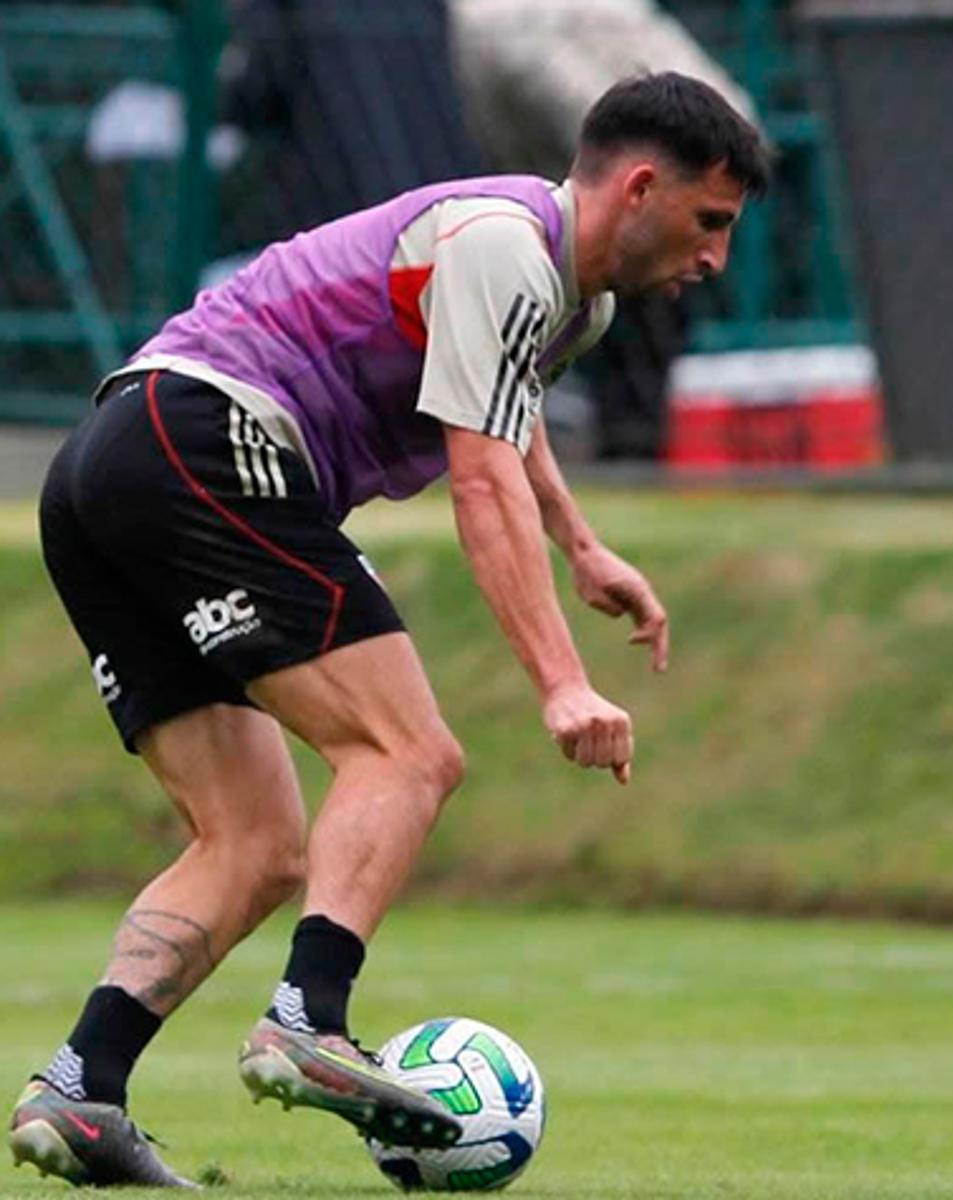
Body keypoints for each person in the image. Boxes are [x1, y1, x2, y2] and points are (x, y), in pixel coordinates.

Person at [10, 72, 769, 1187]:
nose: (715, 257)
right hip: (209, 440)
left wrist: (583, 546)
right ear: (642, 187)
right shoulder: (506, 244)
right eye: (712, 223)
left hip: (110, 470)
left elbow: (505, 416)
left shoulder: (571, 297)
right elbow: (478, 481)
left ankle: (82, 1088)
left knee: (254, 841)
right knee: (409, 753)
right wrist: (560, 683)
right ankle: (307, 1020)